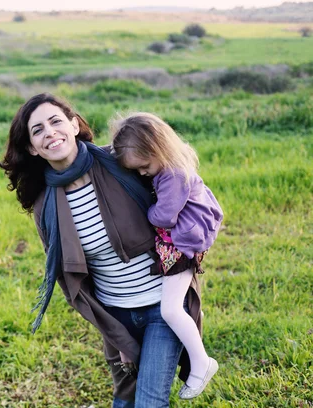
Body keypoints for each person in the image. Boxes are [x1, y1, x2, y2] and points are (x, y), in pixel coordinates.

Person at [0, 93, 203, 407]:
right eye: (37, 130)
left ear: (74, 124)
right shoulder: (46, 206)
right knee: (125, 400)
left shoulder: (123, 163)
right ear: (31, 147)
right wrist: (115, 335)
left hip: (163, 306)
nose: (50, 132)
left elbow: (185, 184)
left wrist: (195, 243)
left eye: (56, 121)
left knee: (150, 401)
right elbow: (74, 281)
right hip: (116, 315)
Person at [111, 112, 223, 399]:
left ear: (158, 149)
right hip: (182, 243)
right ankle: (199, 362)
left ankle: (201, 363)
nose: (143, 174)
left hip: (183, 245)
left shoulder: (174, 174)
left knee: (170, 310)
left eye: (144, 166)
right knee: (170, 308)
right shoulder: (168, 168)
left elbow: (164, 216)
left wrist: (145, 211)